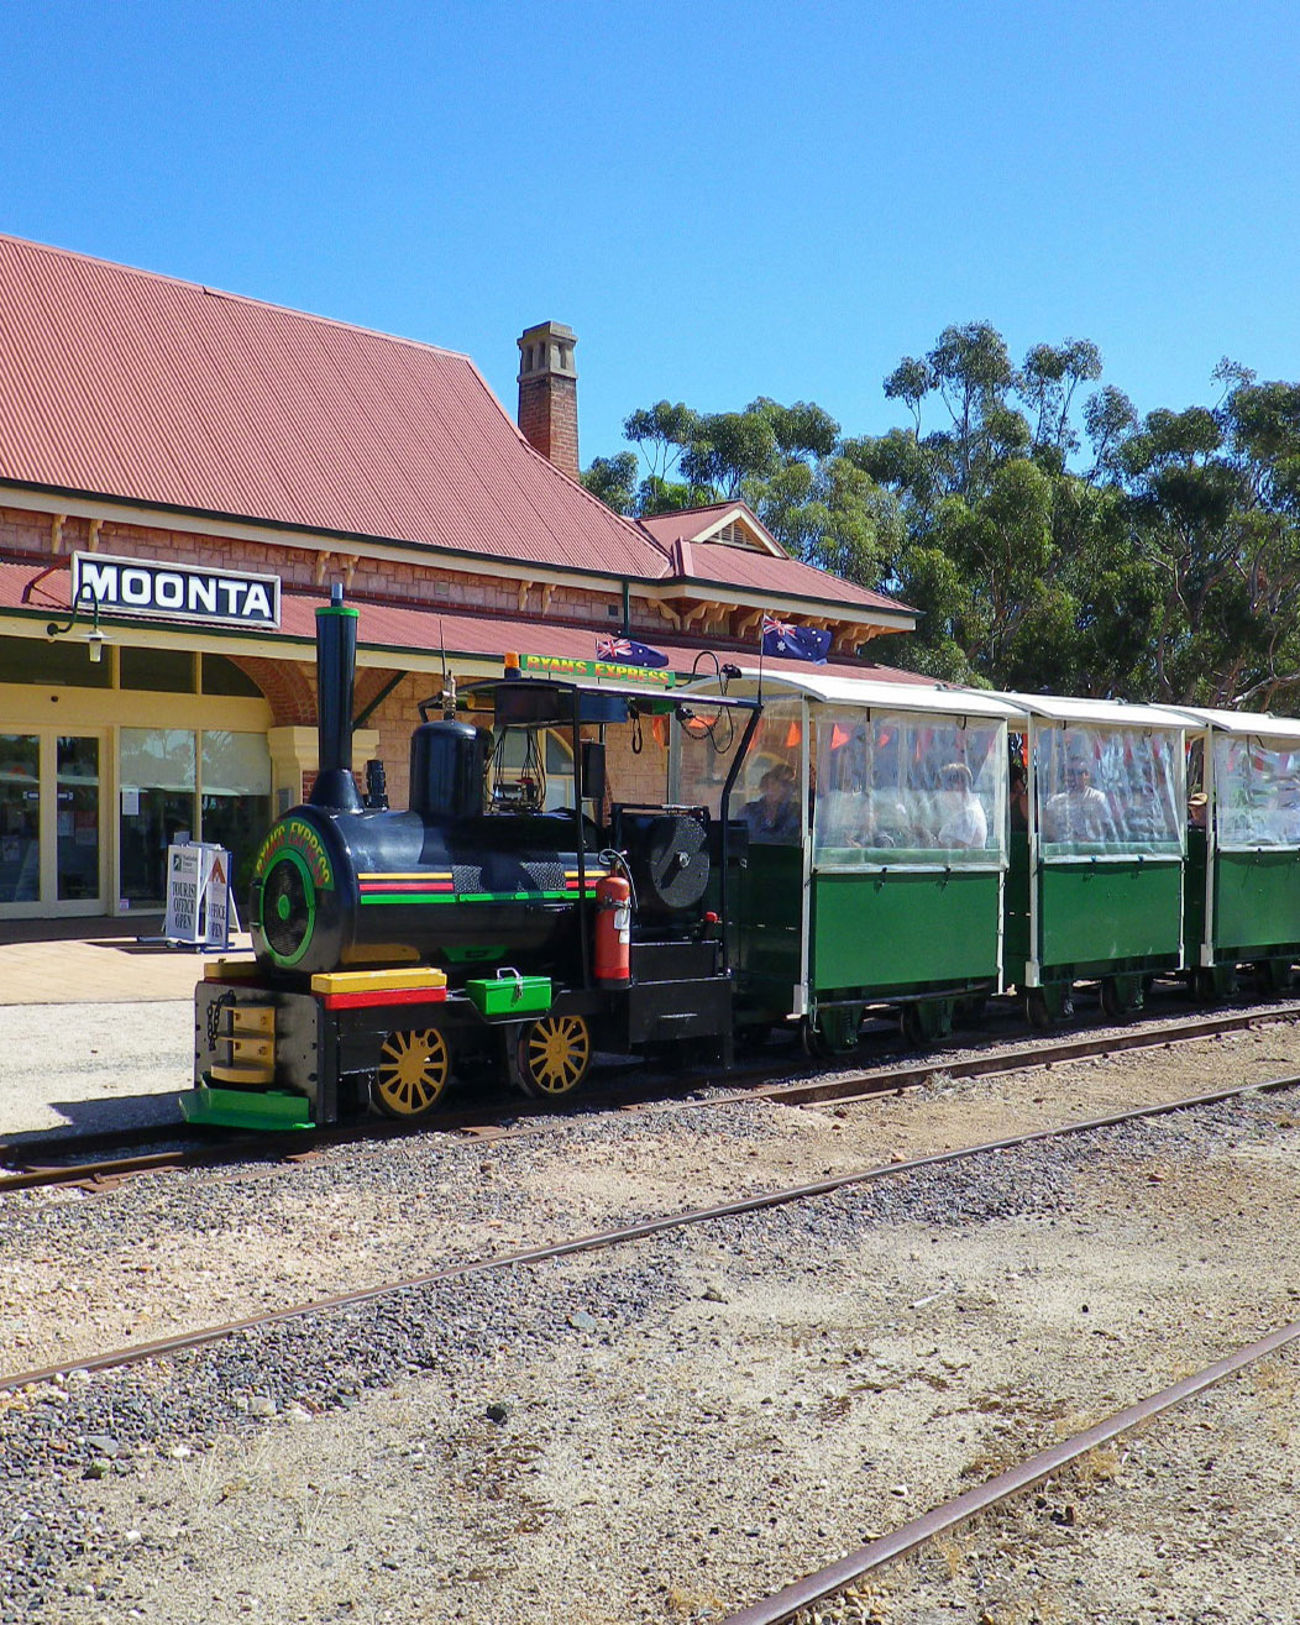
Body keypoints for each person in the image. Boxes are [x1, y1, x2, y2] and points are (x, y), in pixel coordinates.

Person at [1044, 757, 1116, 843]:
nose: (1073, 777)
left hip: (1091, 852)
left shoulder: (1097, 798)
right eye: (1070, 773)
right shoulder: (1056, 801)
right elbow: (1046, 826)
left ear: (1087, 775)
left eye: (1078, 773)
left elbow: (1104, 829)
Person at [743, 763, 800, 844]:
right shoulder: (748, 811)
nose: (787, 789)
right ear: (767, 783)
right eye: (782, 783)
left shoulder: (796, 812)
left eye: (790, 784)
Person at [936, 762, 988, 849]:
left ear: (958, 786)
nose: (941, 796)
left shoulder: (969, 815)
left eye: (943, 790)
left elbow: (953, 851)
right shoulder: (964, 810)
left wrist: (929, 840)